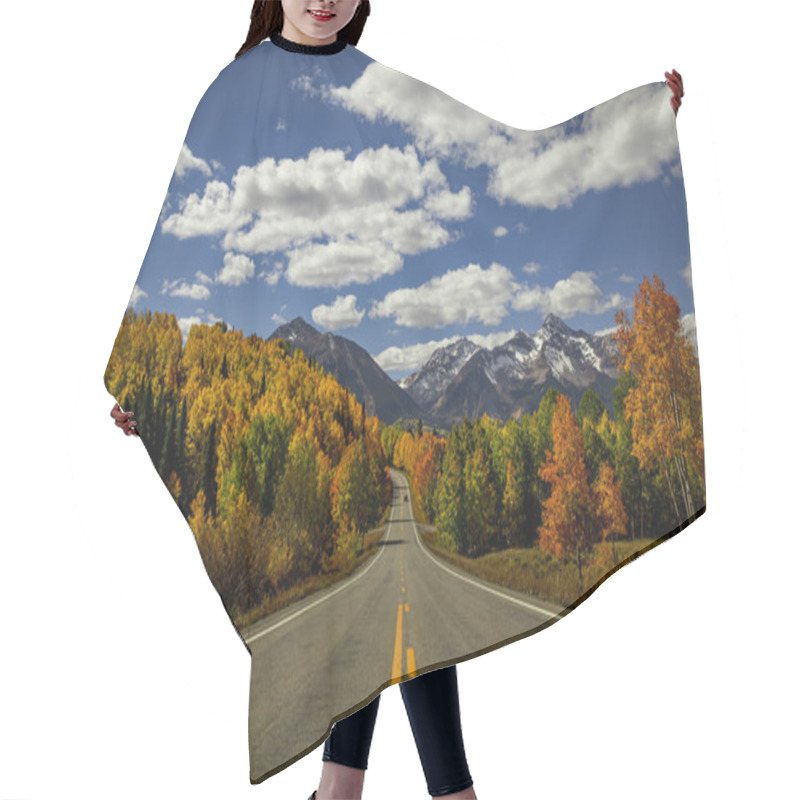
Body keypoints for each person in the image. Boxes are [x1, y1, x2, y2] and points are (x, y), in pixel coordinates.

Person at [109, 2, 685, 798]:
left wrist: (643, 125)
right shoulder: (232, 92)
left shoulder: (378, 92)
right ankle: (418, 792)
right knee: (383, 622)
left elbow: (498, 171)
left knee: (392, 621)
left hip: (351, 431)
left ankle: (353, 791)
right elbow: (186, 252)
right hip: (280, 417)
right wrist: (149, 381)